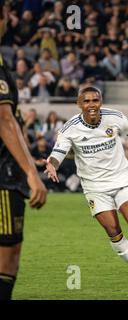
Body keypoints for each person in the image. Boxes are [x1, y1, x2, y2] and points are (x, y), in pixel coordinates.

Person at [44, 86, 128, 280]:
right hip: (94, 187)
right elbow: (58, 152)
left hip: (120, 179)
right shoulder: (70, 129)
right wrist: (52, 164)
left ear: (101, 102)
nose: (91, 105)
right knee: (113, 230)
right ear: (79, 104)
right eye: (86, 101)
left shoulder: (114, 117)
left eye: (95, 100)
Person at [0, 54, 47, 300]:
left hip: (9, 172)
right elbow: (4, 120)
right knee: (7, 256)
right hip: (4, 177)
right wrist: (31, 172)